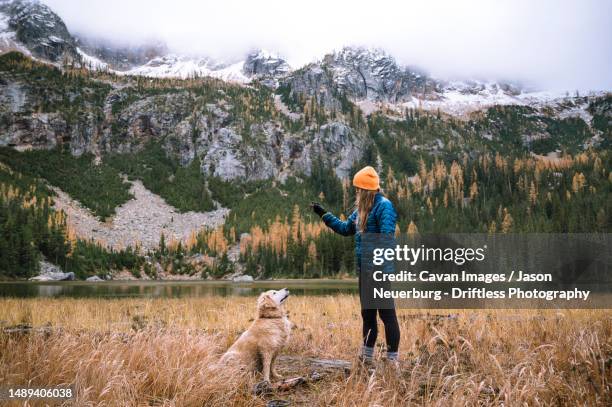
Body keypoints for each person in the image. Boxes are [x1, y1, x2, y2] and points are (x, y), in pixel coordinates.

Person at [311, 166, 400, 364]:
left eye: (358, 188)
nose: (356, 192)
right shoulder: (360, 211)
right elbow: (345, 229)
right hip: (365, 271)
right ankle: (367, 359)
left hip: (378, 271)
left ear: (366, 190)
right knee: (367, 315)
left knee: (387, 316)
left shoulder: (384, 206)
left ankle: (392, 361)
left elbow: (386, 238)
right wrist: (323, 214)